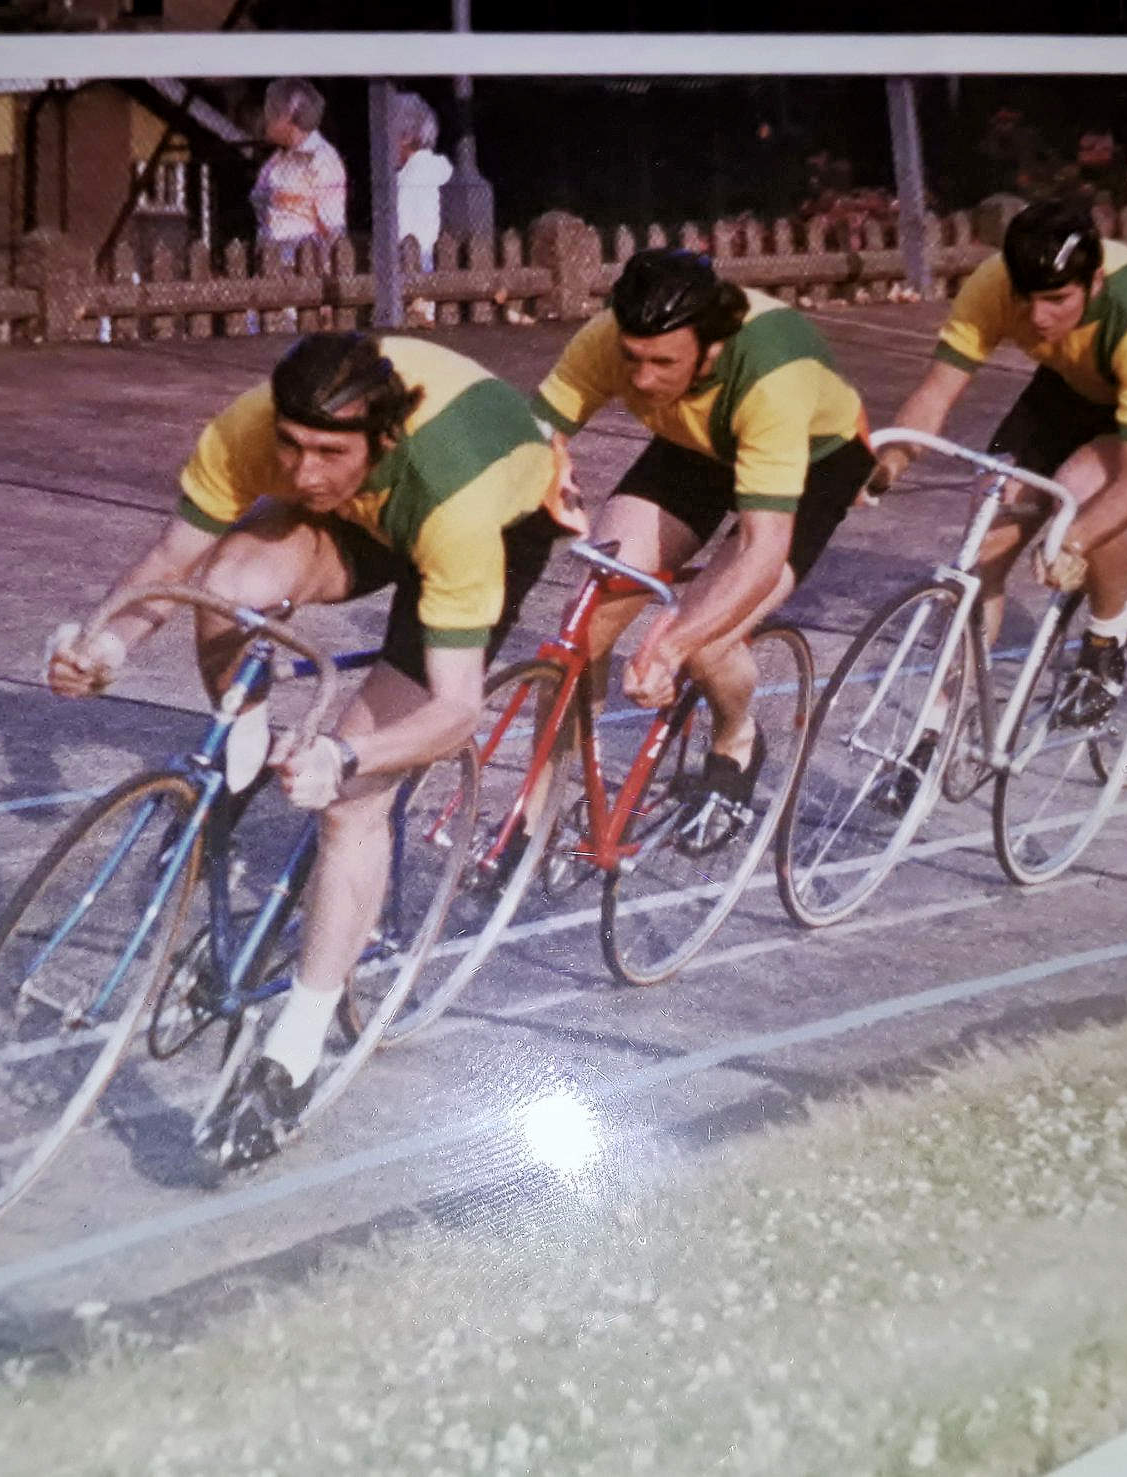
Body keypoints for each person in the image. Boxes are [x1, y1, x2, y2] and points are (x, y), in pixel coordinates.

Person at [45, 333, 567, 1170]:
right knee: (226, 581)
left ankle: (294, 1047)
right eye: (290, 445)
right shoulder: (256, 428)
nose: (301, 471)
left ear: (381, 440)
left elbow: (459, 709)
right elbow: (169, 563)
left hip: (487, 522)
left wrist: (348, 761)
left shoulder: (451, 500)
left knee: (354, 804)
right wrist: (105, 644)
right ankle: (243, 747)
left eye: (328, 452)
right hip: (369, 520)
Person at [875, 197, 1127, 800]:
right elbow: (935, 394)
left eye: (1057, 300)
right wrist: (887, 465)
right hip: (1065, 390)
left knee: (1083, 503)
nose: (1036, 318)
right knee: (985, 550)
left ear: (1095, 280)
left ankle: (1108, 639)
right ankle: (933, 730)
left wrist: (1076, 539)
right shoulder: (992, 286)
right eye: (1028, 298)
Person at [531, 246, 875, 849]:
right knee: (582, 630)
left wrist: (677, 641)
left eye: (663, 362)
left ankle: (737, 737)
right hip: (694, 444)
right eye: (632, 359)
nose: (640, 379)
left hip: (813, 459)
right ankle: (536, 815)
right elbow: (531, 439)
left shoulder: (772, 376)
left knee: (702, 640)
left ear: (711, 349)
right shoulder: (609, 337)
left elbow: (762, 549)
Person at [250, 78, 347, 255]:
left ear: (288, 116)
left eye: (271, 111)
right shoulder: (276, 160)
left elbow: (333, 229)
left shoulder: (322, 160)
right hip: (271, 265)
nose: (265, 118)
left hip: (304, 268)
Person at [394, 90, 453, 271]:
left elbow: (401, 234)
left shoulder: (409, 179)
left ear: (406, 137)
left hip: (415, 273)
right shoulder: (440, 171)